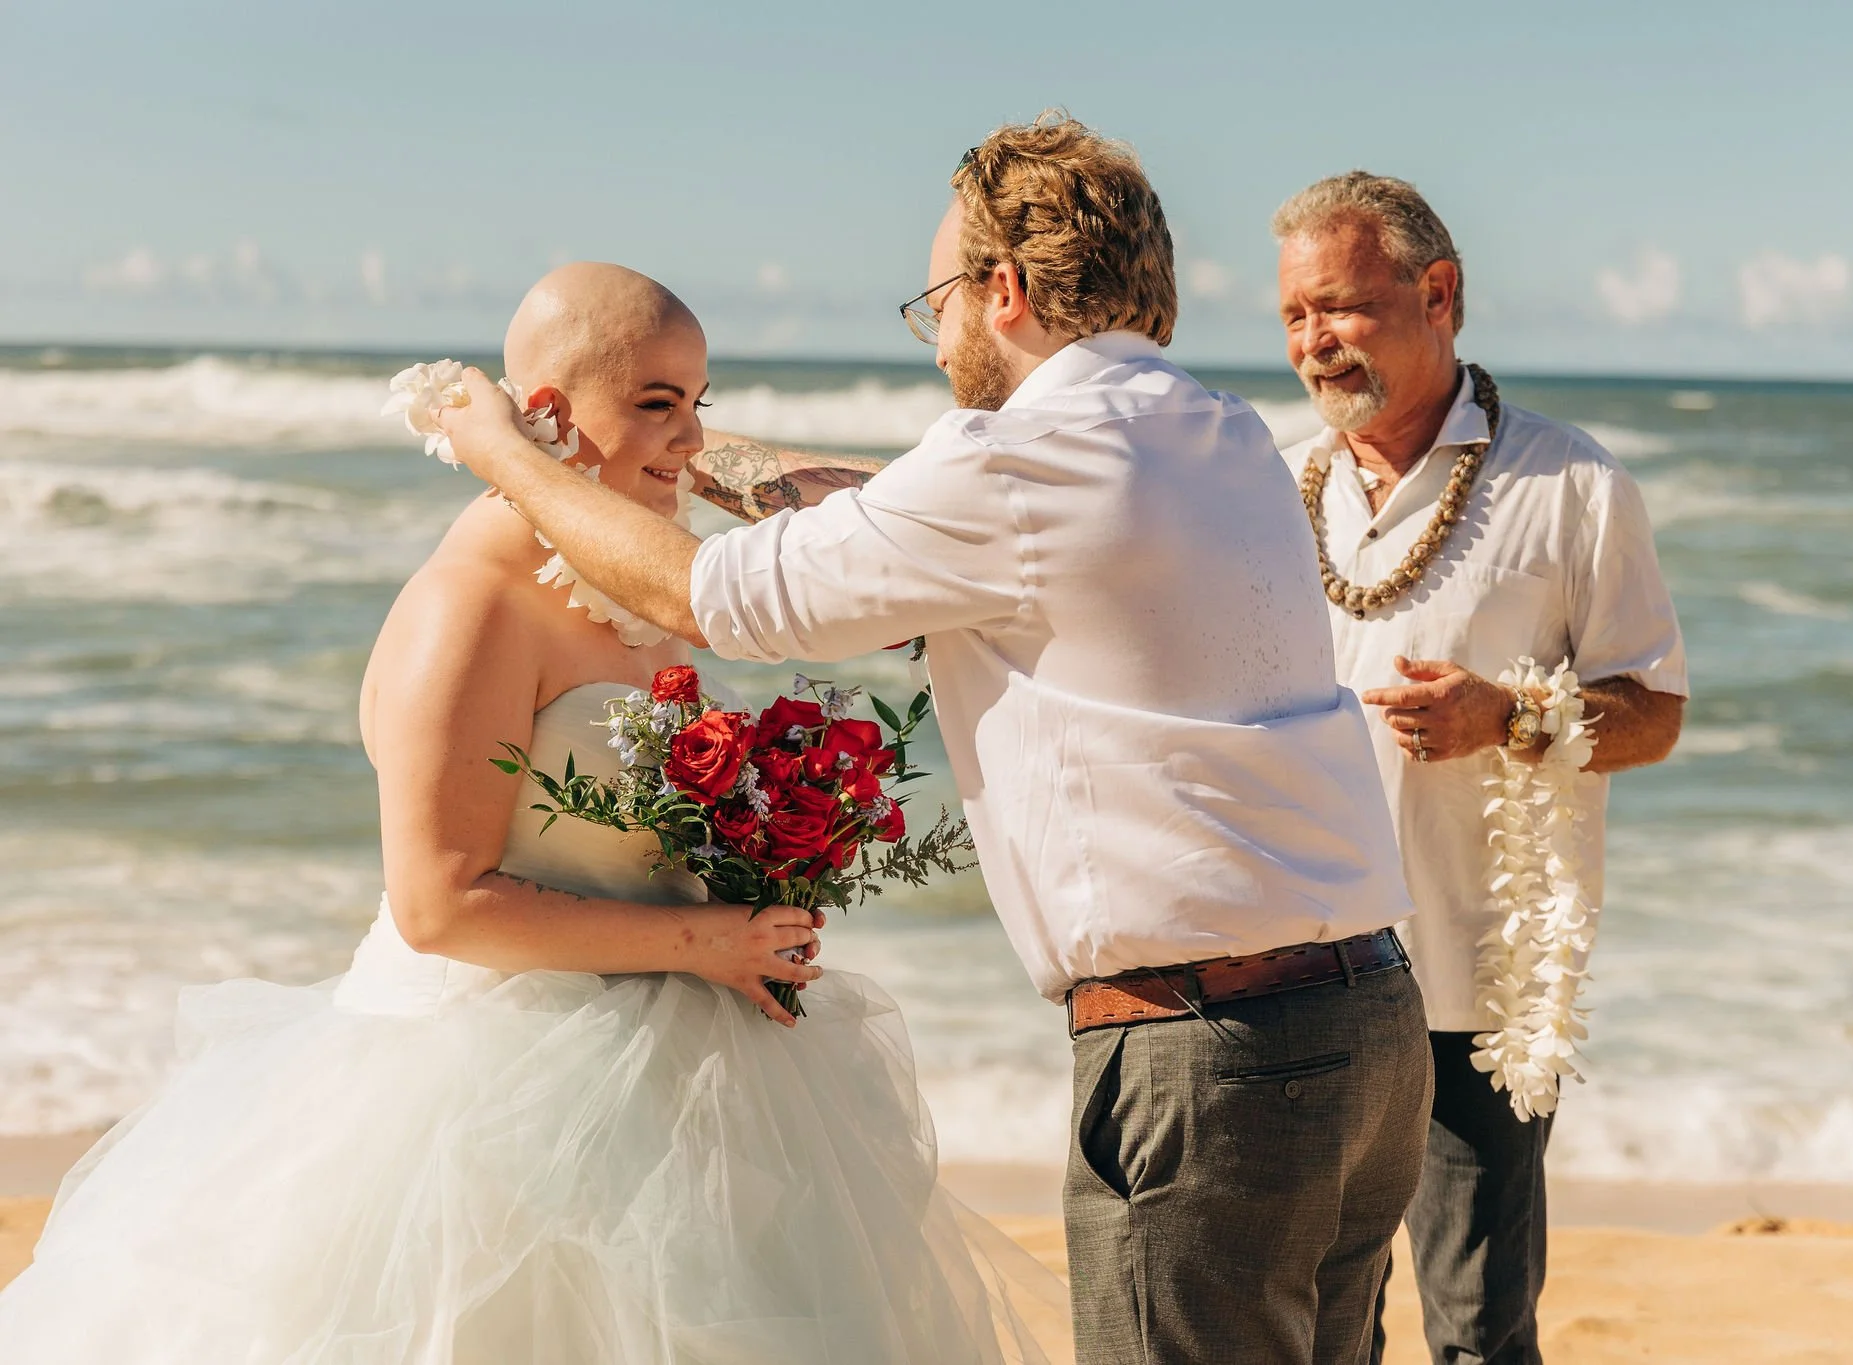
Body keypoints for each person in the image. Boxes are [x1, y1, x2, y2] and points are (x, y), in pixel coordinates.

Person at [431, 114, 1431, 1365]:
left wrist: (501, 452)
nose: (938, 327)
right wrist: (687, 455)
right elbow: (881, 515)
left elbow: (704, 599)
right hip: (1366, 1037)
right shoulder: (1216, 432)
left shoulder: (1014, 463)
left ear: (1000, 289)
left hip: (1210, 1059)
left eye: (940, 296)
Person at [0, 263, 1068, 1363]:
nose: (692, 439)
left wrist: (762, 862)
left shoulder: (636, 592)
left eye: (699, 399)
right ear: (548, 416)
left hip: (672, 1069)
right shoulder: (469, 607)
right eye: (658, 403)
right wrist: (711, 939)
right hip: (483, 1099)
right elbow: (442, 904)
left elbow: (850, 522)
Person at [1270, 172, 1689, 1365]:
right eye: (1294, 317)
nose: (1313, 343)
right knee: (1316, 1332)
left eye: (1339, 307)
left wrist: (1505, 717)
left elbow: (1653, 714)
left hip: (1475, 989)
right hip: (1299, 971)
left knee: (1475, 1337)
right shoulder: (1273, 484)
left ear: (1436, 294)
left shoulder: (1570, 486)